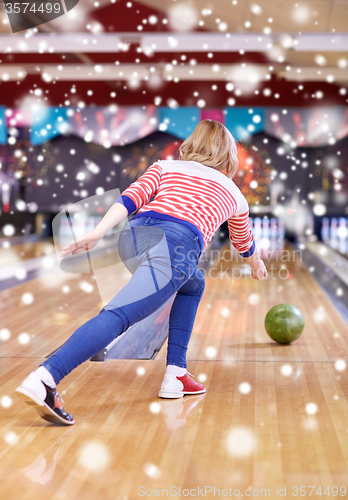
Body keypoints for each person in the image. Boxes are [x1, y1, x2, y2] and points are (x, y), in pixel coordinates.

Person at [16, 119, 267, 426]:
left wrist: (96, 232)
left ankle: (176, 374)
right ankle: (45, 378)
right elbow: (243, 240)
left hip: (133, 238)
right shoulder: (234, 195)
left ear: (191, 145)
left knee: (193, 284)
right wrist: (256, 263)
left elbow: (129, 199)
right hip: (174, 250)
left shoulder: (165, 167)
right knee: (118, 316)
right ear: (229, 157)